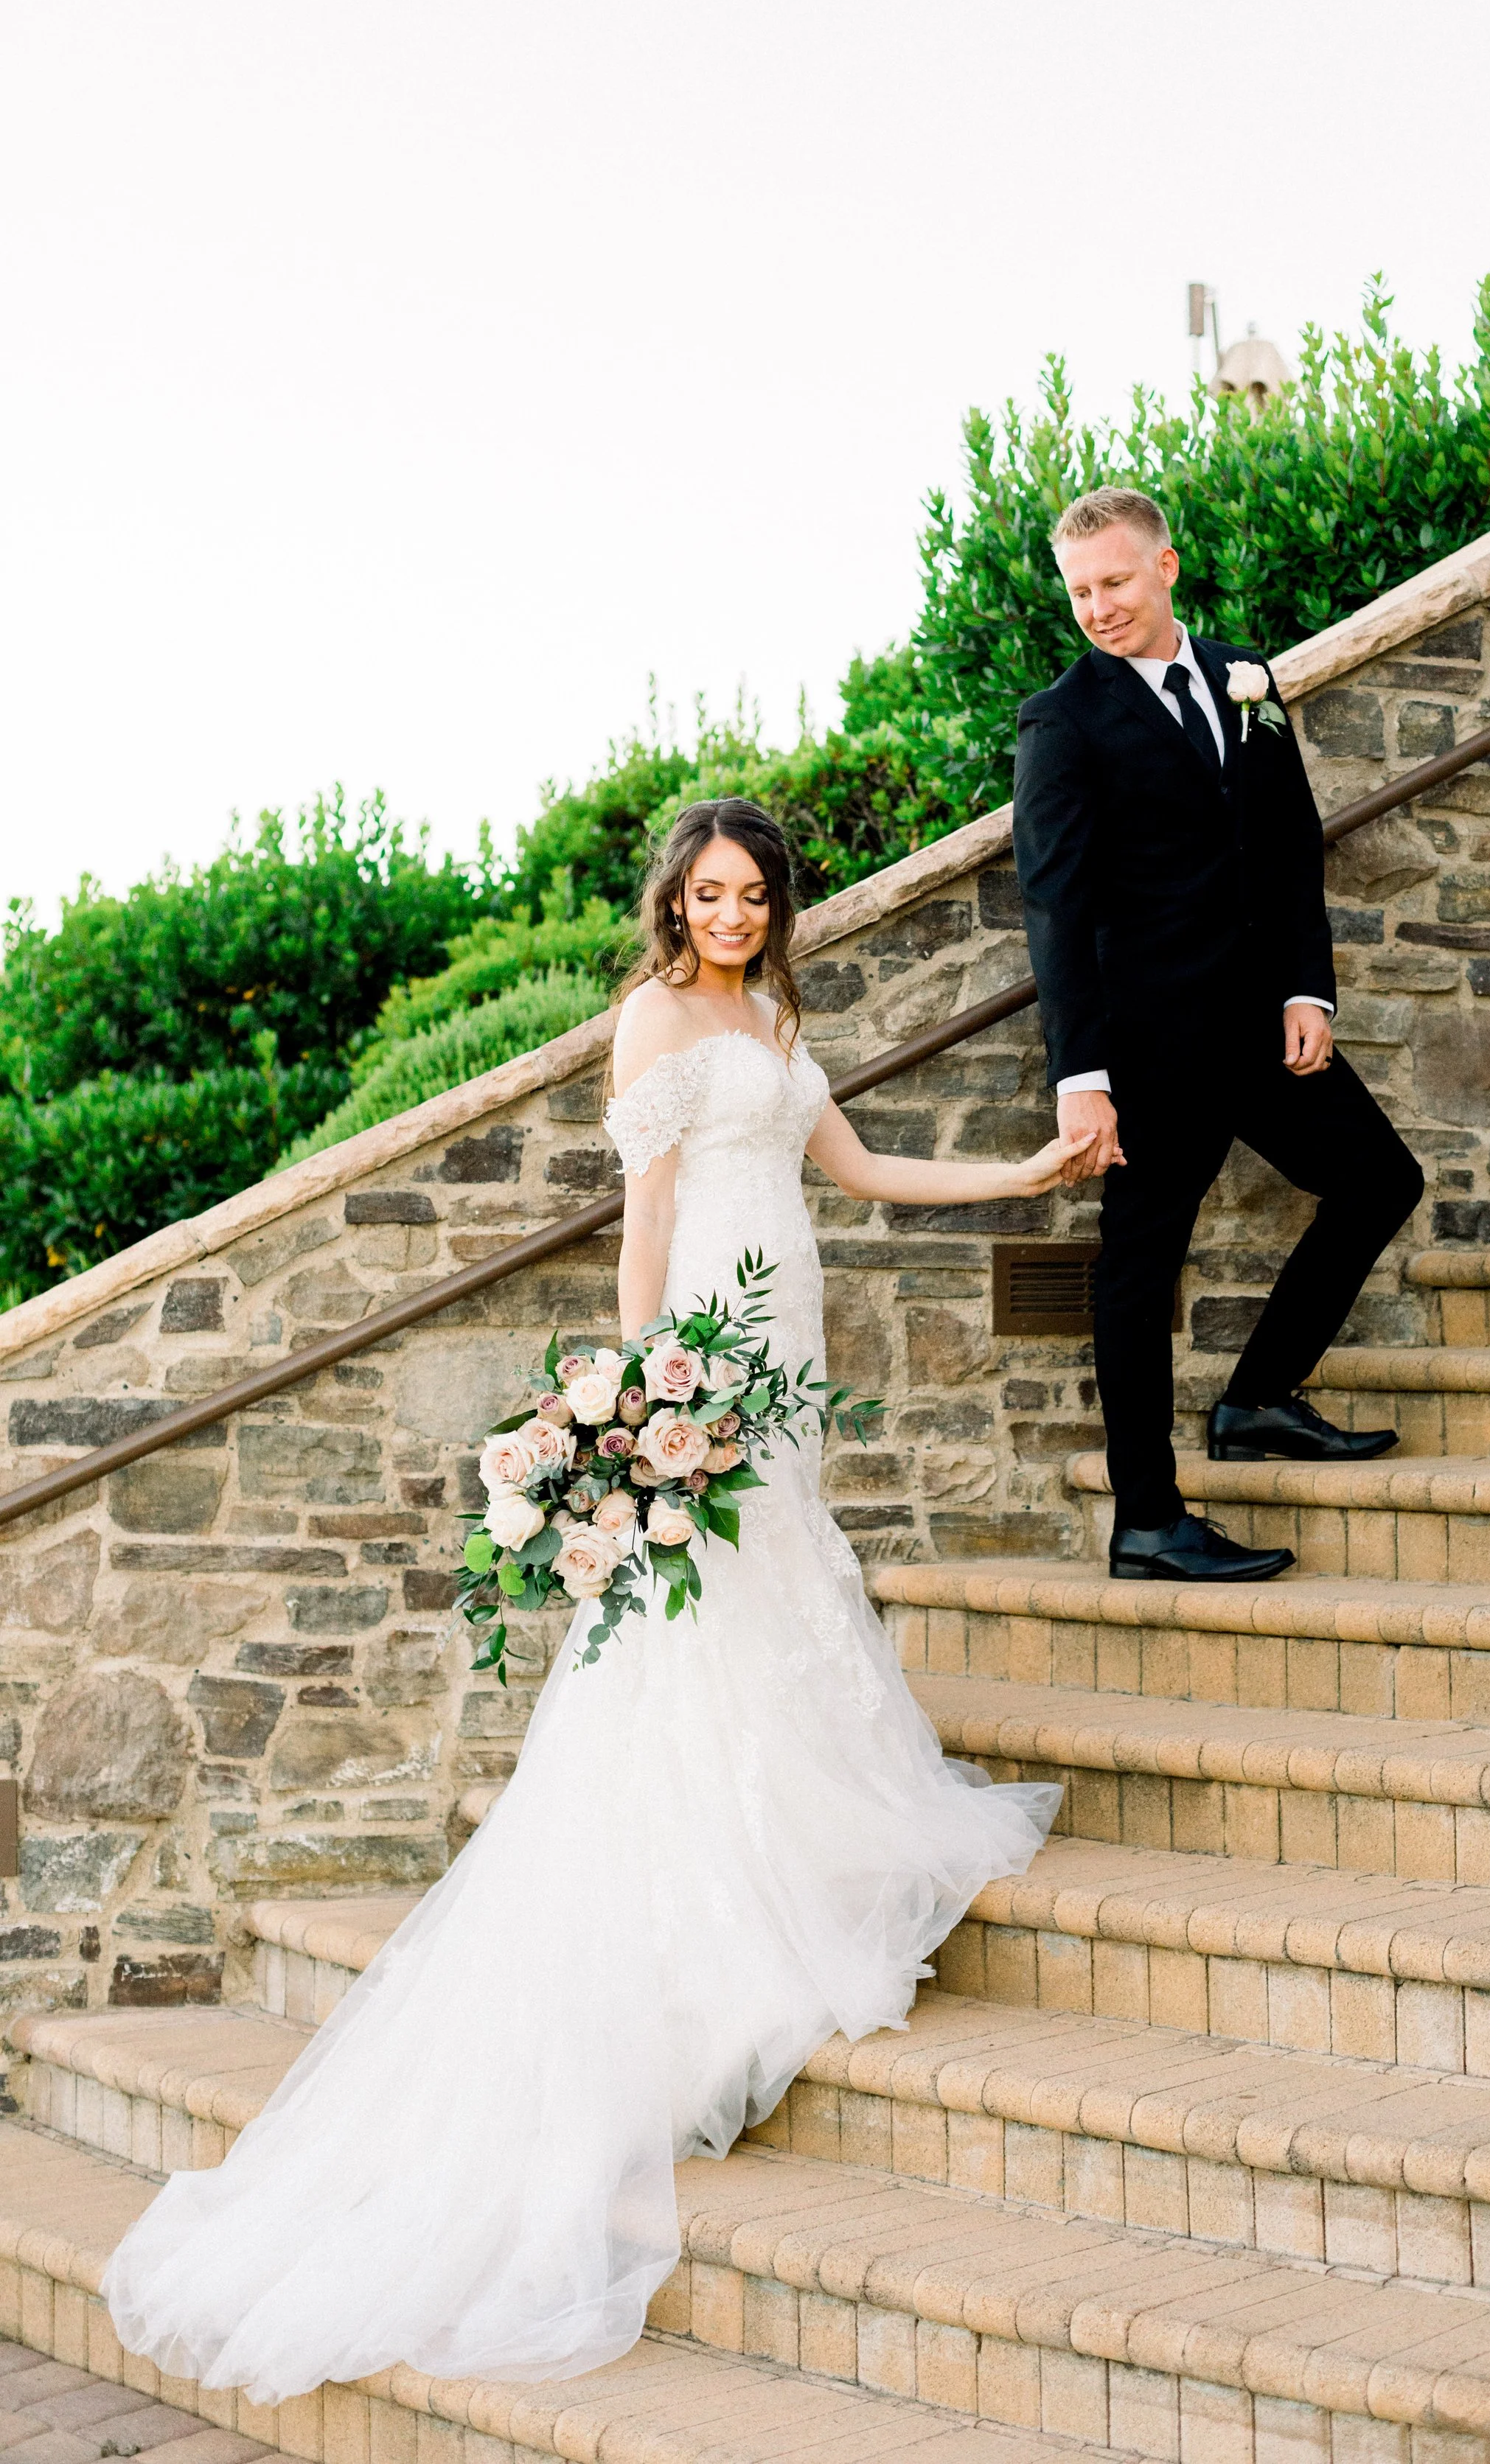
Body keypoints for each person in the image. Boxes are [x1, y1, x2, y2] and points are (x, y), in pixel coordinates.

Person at [102, 796, 1075, 2406]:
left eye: (752, 895)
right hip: (703, 1343)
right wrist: (638, 1412)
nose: (730, 917)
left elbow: (857, 1170)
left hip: (788, 1341)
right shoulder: (646, 1020)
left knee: (780, 1609)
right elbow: (646, 1223)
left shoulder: (773, 1013)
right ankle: (705, 1924)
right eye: (706, 895)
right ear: (669, 903)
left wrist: (1018, 1169)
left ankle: (784, 1852)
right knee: (691, 1641)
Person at [1012, 486, 1426, 1587]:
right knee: (1137, 1271)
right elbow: (1054, 905)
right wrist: (1080, 1078)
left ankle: (1255, 1398)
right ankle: (1147, 1518)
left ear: (1166, 567)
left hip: (1262, 1027)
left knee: (1381, 1179)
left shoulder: (1248, 675)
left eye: (1113, 580)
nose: (1096, 605)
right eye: (1080, 589)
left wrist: (1308, 989)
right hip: (1148, 1049)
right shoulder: (1065, 720)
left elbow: (1290, 843)